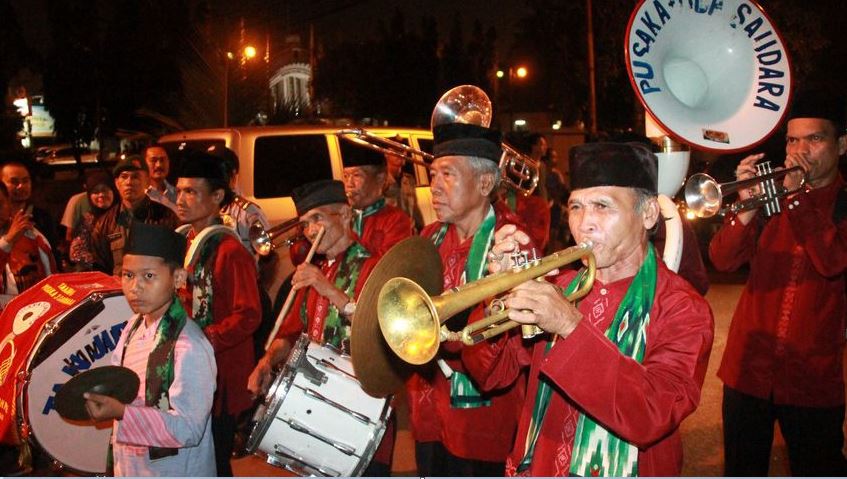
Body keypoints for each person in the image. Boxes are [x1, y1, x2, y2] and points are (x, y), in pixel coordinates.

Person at [465, 142, 714, 476]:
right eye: (576, 207)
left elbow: (652, 414)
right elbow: (492, 374)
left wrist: (569, 326)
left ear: (649, 213)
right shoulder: (558, 284)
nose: (584, 224)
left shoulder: (683, 307)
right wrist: (499, 296)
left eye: (602, 206)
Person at [709, 91, 847, 476]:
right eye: (792, 140)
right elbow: (722, 259)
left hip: (812, 378)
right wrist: (748, 205)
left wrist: (798, 195)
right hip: (747, 370)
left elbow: (831, 261)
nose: (799, 150)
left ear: (841, 145)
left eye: (814, 139)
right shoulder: (773, 200)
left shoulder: (840, 204)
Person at [247, 179, 394, 475]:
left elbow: (380, 328)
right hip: (321, 406)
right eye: (305, 223)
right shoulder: (317, 271)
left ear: (345, 216)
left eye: (318, 218)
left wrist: (326, 289)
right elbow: (290, 334)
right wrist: (267, 360)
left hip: (363, 407)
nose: (311, 230)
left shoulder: (375, 267)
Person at [408, 123, 532, 476]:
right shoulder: (430, 236)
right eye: (433, 175)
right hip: (428, 409)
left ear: (484, 183)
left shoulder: (511, 244)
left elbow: (514, 354)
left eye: (447, 174)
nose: (433, 187)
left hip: (482, 422)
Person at [83, 222, 216, 476]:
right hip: (134, 466)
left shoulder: (190, 346)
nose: (135, 287)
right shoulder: (133, 326)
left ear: (177, 278)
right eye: (128, 275)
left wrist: (122, 413)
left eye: (149, 276)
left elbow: (188, 428)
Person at [174, 150, 261, 477]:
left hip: (219, 375)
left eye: (191, 191)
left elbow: (249, 314)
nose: (181, 199)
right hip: (190, 369)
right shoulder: (185, 242)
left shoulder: (229, 250)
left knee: (215, 460)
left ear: (217, 197)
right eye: (179, 190)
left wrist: (200, 339)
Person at [89, 156, 178, 276]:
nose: (129, 182)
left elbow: (174, 261)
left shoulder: (166, 217)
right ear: (116, 183)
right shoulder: (104, 224)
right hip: (117, 291)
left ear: (147, 181)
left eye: (135, 177)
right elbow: (100, 267)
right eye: (124, 177)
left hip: (154, 290)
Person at [342, 150, 413, 257]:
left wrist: (346, 236)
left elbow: (389, 266)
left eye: (356, 175)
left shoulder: (396, 220)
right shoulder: (342, 217)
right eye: (346, 176)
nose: (349, 184)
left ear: (380, 178)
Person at [0, 182, 56, 305]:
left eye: (0, 204)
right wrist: (8, 241)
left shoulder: (33, 236)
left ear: (8, 202)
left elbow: (52, 282)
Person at [1, 160, 62, 267]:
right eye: (14, 182)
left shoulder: (42, 217)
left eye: (25, 181)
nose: (21, 186)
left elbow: (54, 254)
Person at [68, 170, 116, 271]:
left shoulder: (122, 216)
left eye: (105, 190)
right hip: (97, 277)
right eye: (95, 192)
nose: (101, 195)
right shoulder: (86, 220)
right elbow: (76, 253)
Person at [144, 145, 177, 212]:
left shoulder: (177, 193)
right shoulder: (140, 196)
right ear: (144, 164)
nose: (159, 165)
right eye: (153, 160)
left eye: (162, 160)